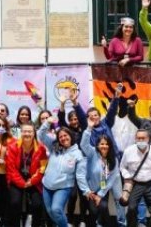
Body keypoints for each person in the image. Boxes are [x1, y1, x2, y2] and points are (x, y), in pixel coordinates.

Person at [38, 117, 88, 227]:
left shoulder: (77, 154)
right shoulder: (54, 147)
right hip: (47, 185)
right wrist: (47, 122)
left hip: (63, 187)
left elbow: (80, 175)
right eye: (60, 137)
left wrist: (86, 190)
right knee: (51, 212)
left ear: (71, 136)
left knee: (56, 209)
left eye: (65, 135)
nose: (63, 138)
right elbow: (40, 135)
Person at [119, 129, 151, 227]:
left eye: (143, 138)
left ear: (148, 139)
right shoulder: (128, 151)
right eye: (138, 138)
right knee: (131, 208)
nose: (141, 140)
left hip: (150, 183)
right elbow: (122, 167)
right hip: (136, 184)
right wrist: (127, 176)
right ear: (135, 139)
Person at [80, 120, 121, 227]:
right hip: (90, 190)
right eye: (102, 144)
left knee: (103, 207)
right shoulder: (92, 153)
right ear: (97, 145)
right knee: (93, 211)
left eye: (107, 144)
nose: (104, 146)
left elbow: (111, 180)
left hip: (103, 189)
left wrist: (100, 194)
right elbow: (83, 144)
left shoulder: (113, 160)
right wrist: (89, 128)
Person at [6, 124, 48, 227]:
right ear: (21, 132)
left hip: (34, 179)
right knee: (14, 203)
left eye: (30, 131)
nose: (27, 134)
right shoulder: (12, 146)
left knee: (37, 204)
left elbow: (42, 168)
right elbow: (11, 168)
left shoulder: (41, 148)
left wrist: (32, 181)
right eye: (25, 131)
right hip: (16, 179)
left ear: (34, 133)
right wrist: (22, 183)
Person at [58, 93, 87, 227]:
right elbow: (60, 119)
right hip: (70, 168)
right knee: (72, 195)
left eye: (76, 119)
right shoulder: (67, 130)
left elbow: (83, 118)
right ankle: (69, 221)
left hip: (83, 167)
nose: (74, 121)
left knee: (83, 195)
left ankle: (82, 221)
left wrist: (75, 102)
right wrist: (62, 104)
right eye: (72, 119)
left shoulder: (85, 129)